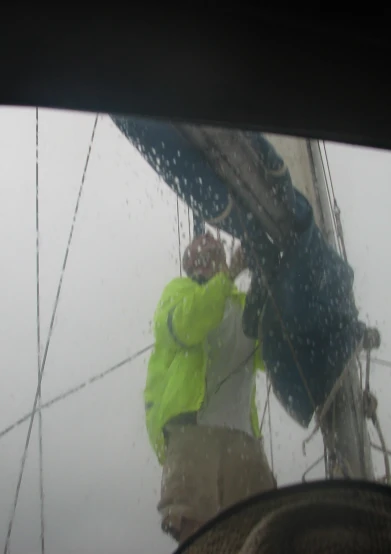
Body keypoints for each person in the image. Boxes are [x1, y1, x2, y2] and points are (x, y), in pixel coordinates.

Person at [143, 232, 276, 545]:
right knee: (194, 528)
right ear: (188, 264)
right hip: (193, 431)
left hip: (243, 439)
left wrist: (268, 282)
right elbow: (186, 326)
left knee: (261, 531)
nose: (204, 257)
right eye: (196, 256)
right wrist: (229, 275)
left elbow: (269, 355)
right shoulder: (178, 293)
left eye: (212, 253)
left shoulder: (244, 305)